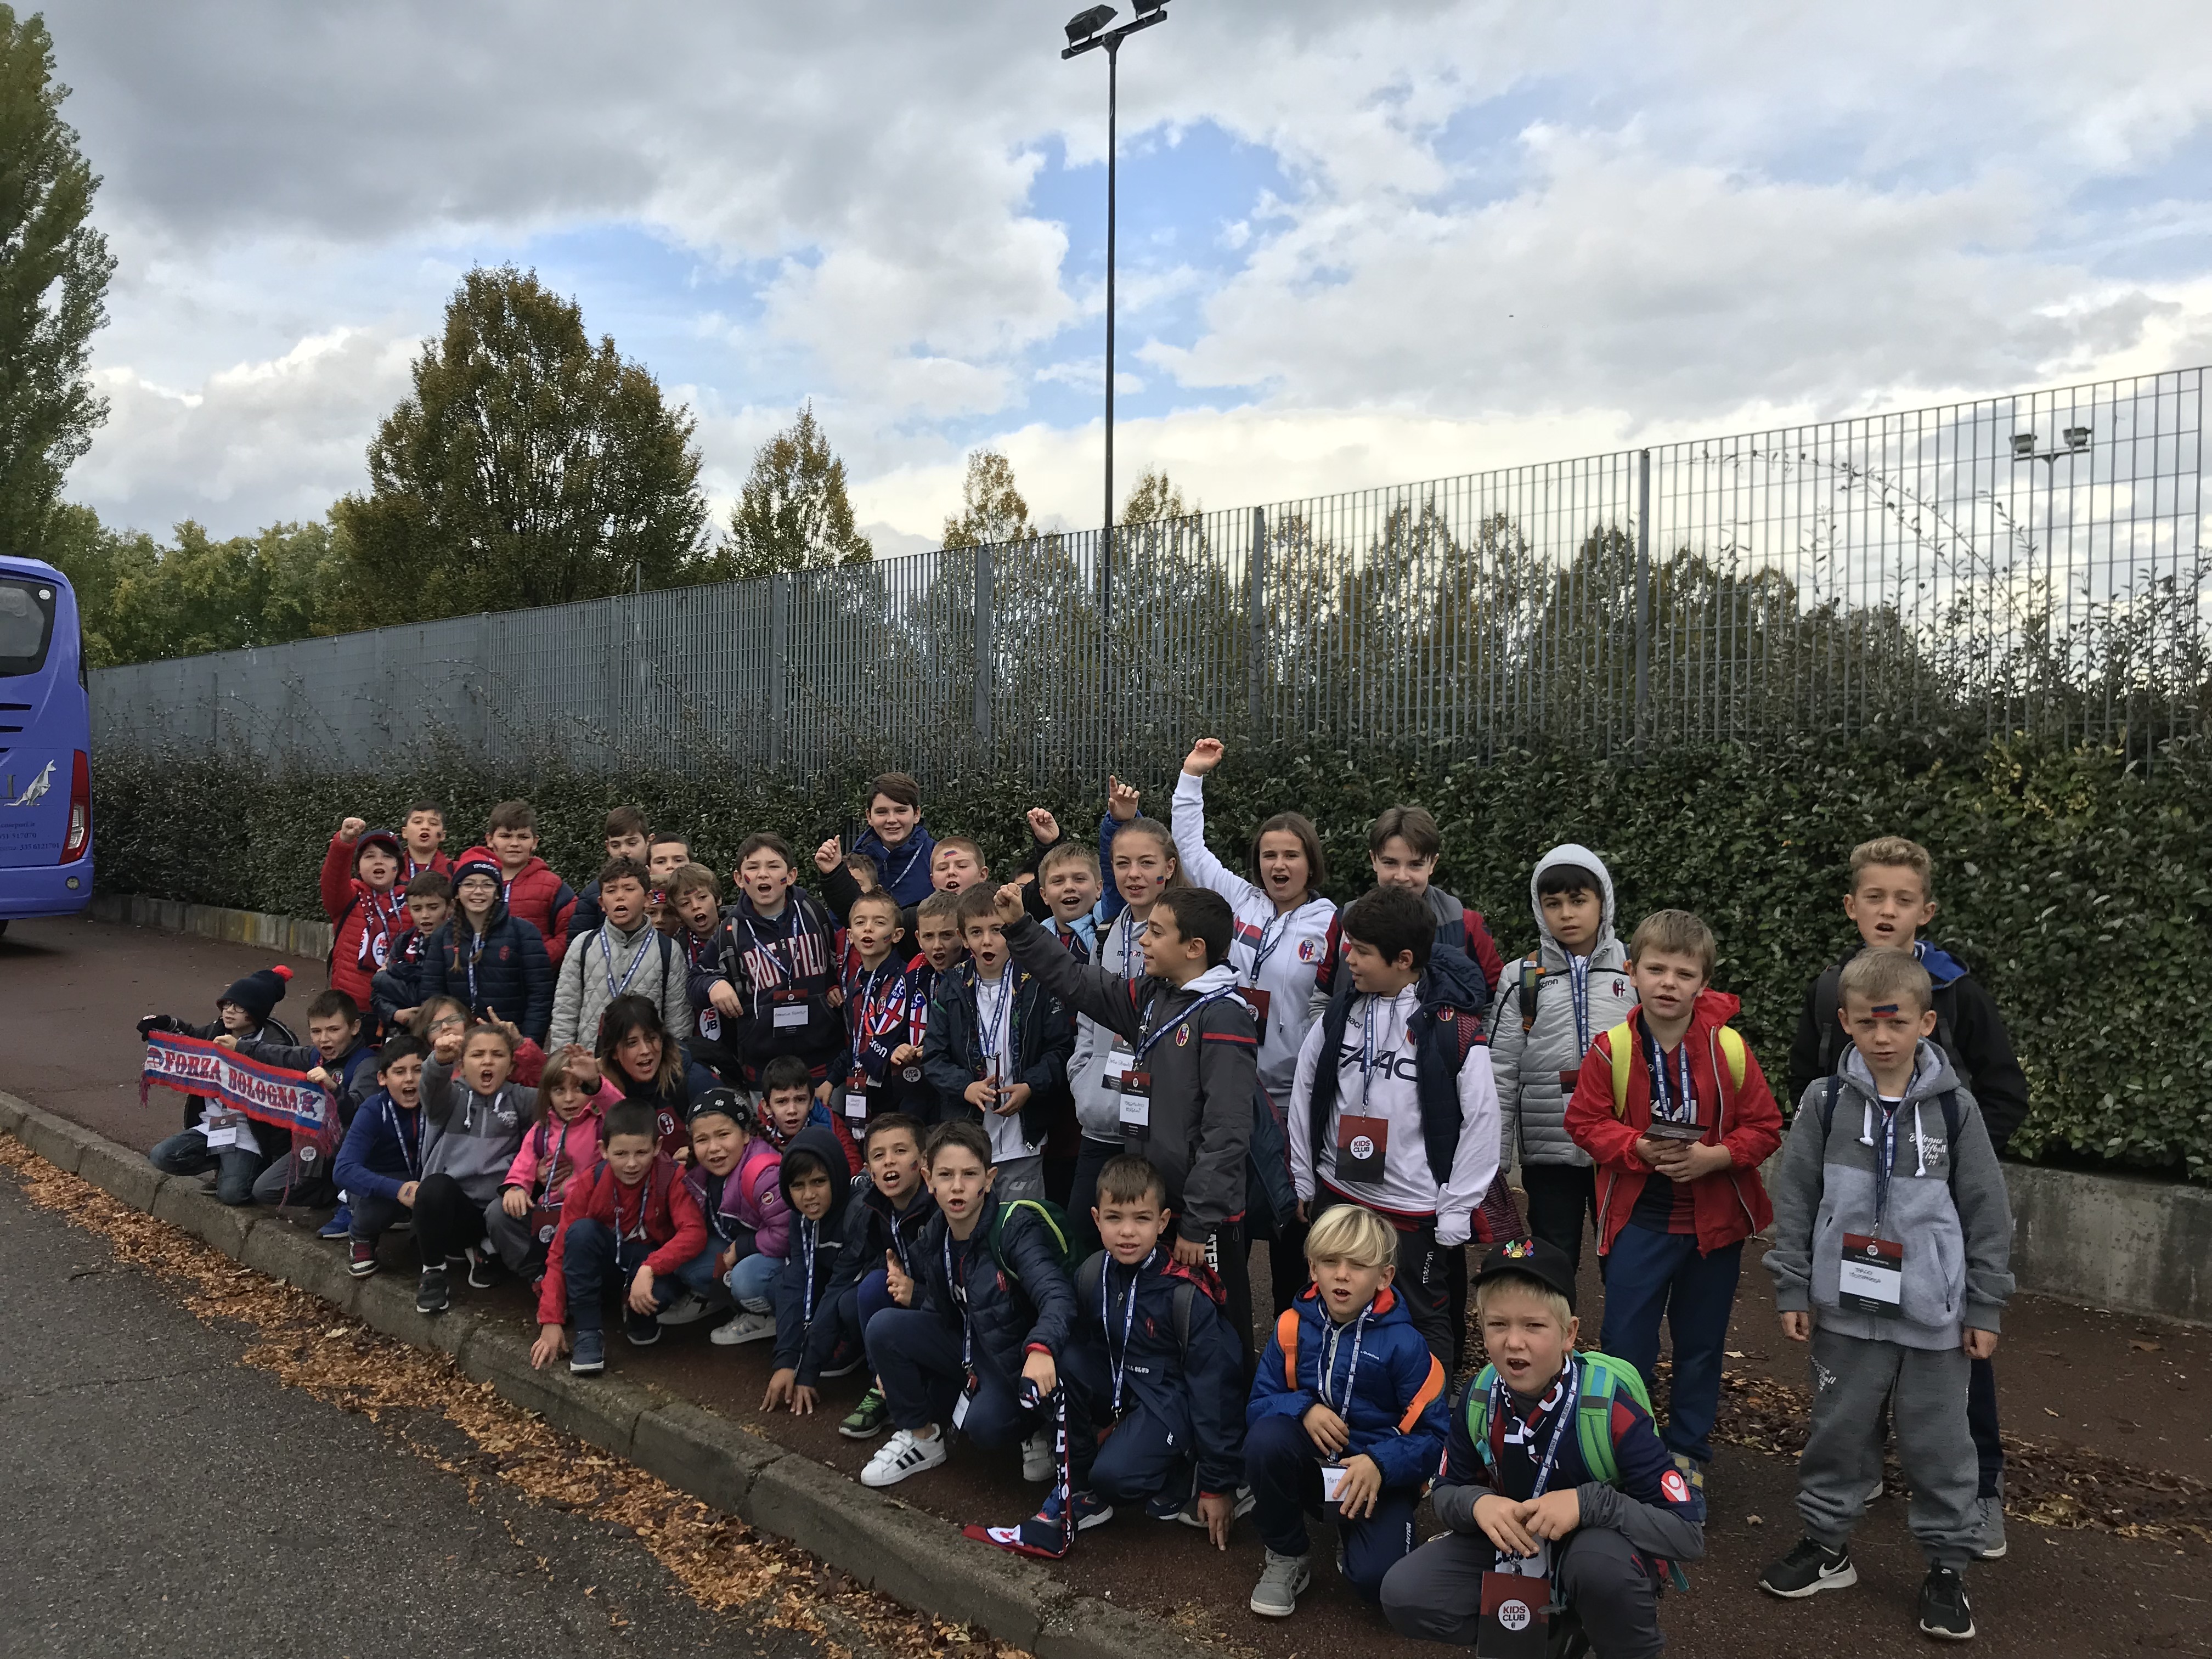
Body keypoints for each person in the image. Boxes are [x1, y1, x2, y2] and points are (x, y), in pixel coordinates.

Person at [1759, 950, 2014, 1642]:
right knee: (1838, 1434)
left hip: (1935, 1320)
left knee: (1941, 1446)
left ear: (1925, 1024)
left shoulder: (1956, 1110)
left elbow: (1988, 1213)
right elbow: (1796, 1198)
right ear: (1845, 1022)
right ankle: (1827, 1546)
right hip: (1845, 1313)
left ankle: (1947, 1566)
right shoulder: (1824, 1103)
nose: (1881, 1037)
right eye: (1866, 1023)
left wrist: (1985, 1305)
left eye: (1896, 1022)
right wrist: (1793, 1285)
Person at [1785, 834, 2028, 1546]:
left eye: (1903, 898)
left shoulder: (1956, 992)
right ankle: (1855, 1476)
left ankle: (1980, 1489)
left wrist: (1943, 1164)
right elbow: (1807, 1080)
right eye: (1875, 897)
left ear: (1926, 910)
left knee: (1958, 1375)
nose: (1887, 910)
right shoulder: (1832, 991)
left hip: (1931, 1235)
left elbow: (2002, 1092)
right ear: (1852, 906)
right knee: (1851, 1365)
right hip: (1857, 1230)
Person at [1380, 1238, 1704, 1659]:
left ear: (1569, 1333)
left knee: (1598, 1568)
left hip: (1599, 1548)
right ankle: (1555, 1638)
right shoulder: (1480, 1397)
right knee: (1404, 1593)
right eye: (1498, 1325)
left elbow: (1686, 1535)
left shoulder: (1610, 1410)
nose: (1514, 1342)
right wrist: (1478, 1504)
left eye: (1534, 1326)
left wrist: (1589, 1504)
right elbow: (1445, 1492)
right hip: (1517, 1546)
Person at [1563, 909, 1782, 1500]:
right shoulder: (1612, 1049)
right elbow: (1584, 1122)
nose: (1668, 983)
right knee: (1625, 1345)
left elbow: (1766, 1126)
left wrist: (1718, 1157)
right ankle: (1626, 1450)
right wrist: (1635, 1146)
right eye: (1656, 969)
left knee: (1701, 1348)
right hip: (1641, 1222)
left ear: (1703, 983)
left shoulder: (1729, 1048)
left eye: (1684, 974)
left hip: (1713, 1229)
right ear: (1632, 972)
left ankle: (1688, 1452)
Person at [995, 878, 1261, 1362]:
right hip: (1155, 1202)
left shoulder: (1223, 1016)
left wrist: (1198, 1223)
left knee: (1216, 1334)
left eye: (1157, 932)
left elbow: (1227, 1132)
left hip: (1199, 1217)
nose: (1143, 940)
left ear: (1194, 948)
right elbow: (1079, 982)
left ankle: (1230, 1409)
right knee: (1161, 1327)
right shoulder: (1155, 996)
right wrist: (1020, 927)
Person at [1288, 885, 1502, 1369]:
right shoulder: (1340, 1012)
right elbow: (1306, 1092)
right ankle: (1340, 1398)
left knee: (1422, 1318)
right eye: (1350, 946)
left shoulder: (1453, 1027)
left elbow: (1482, 1121)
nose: (1349, 959)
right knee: (1334, 1307)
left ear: (1404, 959)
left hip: (1413, 1207)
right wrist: (1303, 1175)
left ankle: (1428, 1414)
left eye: (1362, 951)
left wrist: (1456, 1208)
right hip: (1339, 1192)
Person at [859, 1121, 1098, 1549]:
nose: (957, 1187)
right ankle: (922, 1438)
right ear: (929, 1180)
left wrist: (1041, 1347)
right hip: (975, 1348)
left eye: (969, 1174)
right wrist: (901, 1352)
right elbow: (947, 1308)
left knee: (985, 1428)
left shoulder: (1014, 1228)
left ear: (989, 1180)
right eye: (946, 1175)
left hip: (1019, 1356)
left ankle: (1035, 1428)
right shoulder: (936, 1234)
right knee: (885, 1327)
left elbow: (1057, 1296)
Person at [1172, 738, 1335, 1310]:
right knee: (1229, 1213)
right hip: (1232, 1086)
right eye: (1269, 855)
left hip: (1290, 1096)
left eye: (1291, 855)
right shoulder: (1239, 901)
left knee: (1291, 1219)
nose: (1279, 866)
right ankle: (1226, 1325)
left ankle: (1291, 1331)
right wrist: (1192, 778)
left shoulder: (1331, 923)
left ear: (1310, 863)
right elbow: (1190, 847)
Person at [1244, 1203, 1449, 1617]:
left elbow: (1435, 1439)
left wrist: (1380, 1463)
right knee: (1266, 1440)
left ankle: (1355, 1531)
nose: (1342, 1274)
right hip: (1313, 1465)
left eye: (1358, 1265)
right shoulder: (1291, 1327)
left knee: (1382, 1585)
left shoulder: (1406, 1345)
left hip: (1374, 1476)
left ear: (1384, 1277)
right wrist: (1303, 1408)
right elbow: (1257, 1406)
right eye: (1330, 1262)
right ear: (1312, 1269)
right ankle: (1288, 1555)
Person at [1069, 1154, 1247, 1540]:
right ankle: (1078, 1477)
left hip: (1170, 1399)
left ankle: (1185, 1471)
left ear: (1163, 1222)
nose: (1127, 1232)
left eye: (1142, 1219)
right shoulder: (1091, 1273)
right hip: (1123, 1387)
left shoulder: (1184, 1294)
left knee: (1113, 1478)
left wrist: (1217, 1485)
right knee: (1064, 1362)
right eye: (1114, 1218)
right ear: (1097, 1219)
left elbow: (1215, 1390)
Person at [1492, 846, 1638, 1286]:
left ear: (1603, 902)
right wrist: (1494, 1159)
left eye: (1578, 901)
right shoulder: (1522, 976)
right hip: (1548, 1147)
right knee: (1552, 1260)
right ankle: (1553, 1332)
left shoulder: (1634, 969)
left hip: (1621, 1146)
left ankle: (1625, 1333)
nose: (1567, 914)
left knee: (1627, 1259)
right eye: (1553, 903)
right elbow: (1500, 1070)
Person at [1058, 805, 1193, 1256]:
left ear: (1168, 867)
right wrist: (1083, 1078)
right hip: (1102, 1113)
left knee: (1152, 1243)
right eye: (1122, 863)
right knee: (1084, 1236)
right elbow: (1089, 1014)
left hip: (1158, 1127)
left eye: (1146, 863)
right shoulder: (1109, 930)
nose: (1133, 874)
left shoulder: (1186, 934)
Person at [529, 1099, 709, 1376]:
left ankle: (638, 1314)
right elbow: (560, 1252)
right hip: (611, 1263)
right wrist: (551, 1319)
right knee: (581, 1233)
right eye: (621, 1154)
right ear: (604, 1150)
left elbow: (694, 1232)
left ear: (658, 1147)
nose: (632, 1164)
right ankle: (589, 1333)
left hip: (650, 1265)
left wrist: (650, 1268)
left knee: (646, 1325)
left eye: (642, 1152)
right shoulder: (591, 1181)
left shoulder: (672, 1176)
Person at [923, 886, 1075, 1206]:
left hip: (1023, 1138)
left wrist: (1030, 1086)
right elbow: (934, 1057)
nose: (987, 941)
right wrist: (965, 1087)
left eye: (997, 930)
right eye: (976, 932)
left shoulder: (1037, 982)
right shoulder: (951, 987)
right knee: (971, 1220)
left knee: (1020, 1220)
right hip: (966, 1141)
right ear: (964, 938)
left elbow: (1060, 1050)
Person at [1308, 805, 1505, 1018]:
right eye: (1390, 863)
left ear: (1433, 864)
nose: (1402, 877)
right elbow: (1322, 1001)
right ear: (1374, 860)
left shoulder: (1466, 924)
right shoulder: (1344, 920)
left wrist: (1469, 1039)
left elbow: (1494, 1006)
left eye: (1415, 865)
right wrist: (1335, 1037)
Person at [692, 832, 843, 1090]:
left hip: (824, 1062)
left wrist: (832, 984)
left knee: (826, 1117)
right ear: (739, 879)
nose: (763, 874)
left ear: (791, 876)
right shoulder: (731, 930)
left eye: (773, 866)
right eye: (753, 867)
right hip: (763, 1068)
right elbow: (695, 979)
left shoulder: (813, 912)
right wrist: (713, 985)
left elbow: (837, 958)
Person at [140, 963, 299, 1206]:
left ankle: (248, 1170)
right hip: (215, 1124)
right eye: (226, 1004)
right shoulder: (217, 1030)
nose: (229, 1012)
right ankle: (224, 1164)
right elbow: (191, 1036)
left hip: (250, 1132)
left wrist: (277, 1159)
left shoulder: (277, 1047)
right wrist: (164, 1024)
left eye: (239, 1007)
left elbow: (284, 1106)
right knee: (162, 1156)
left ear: (256, 1011)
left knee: (233, 1194)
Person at [828, 1113, 938, 1440]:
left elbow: (964, 1294)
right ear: (869, 1170)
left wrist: (917, 1294)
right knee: (869, 1288)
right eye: (879, 1155)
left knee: (979, 1418)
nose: (889, 1161)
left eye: (900, 1151)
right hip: (911, 1303)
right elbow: (846, 1269)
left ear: (923, 1161)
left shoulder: (942, 1207)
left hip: (947, 1316)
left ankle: (923, 1395)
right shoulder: (875, 1207)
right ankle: (883, 1386)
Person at [411, 1019, 531, 1311]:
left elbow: (558, 1093)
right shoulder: (451, 1099)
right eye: (477, 1055)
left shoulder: (521, 1099)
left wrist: (527, 1049)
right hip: (455, 1212)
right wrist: (439, 1060)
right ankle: (433, 1272)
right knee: (433, 1187)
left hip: (498, 1212)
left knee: (511, 1203)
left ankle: (486, 1250)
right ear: (462, 1066)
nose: (487, 1061)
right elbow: (430, 1087)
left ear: (511, 1067)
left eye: (498, 1054)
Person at [489, 1045, 620, 1285]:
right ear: (548, 1094)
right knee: (498, 1213)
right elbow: (524, 1163)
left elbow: (622, 1113)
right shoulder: (542, 1128)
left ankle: (573, 1283)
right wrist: (516, 1187)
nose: (569, 1099)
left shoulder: (602, 1121)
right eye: (559, 1090)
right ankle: (538, 1276)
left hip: (588, 1216)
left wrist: (597, 1083)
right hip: (550, 1212)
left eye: (578, 1088)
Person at [241, 988, 381, 1209]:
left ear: (355, 1027)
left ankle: (348, 1195)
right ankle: (332, 1193)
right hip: (313, 1141)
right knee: (264, 1190)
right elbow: (281, 1055)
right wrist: (239, 1047)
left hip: (353, 1148)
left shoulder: (367, 1064)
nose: (324, 1039)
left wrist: (334, 1089)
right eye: (316, 1031)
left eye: (333, 1030)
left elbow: (361, 1115)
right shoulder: (315, 1056)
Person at [761, 1126, 867, 1413]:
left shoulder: (859, 1211)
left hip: (857, 1287)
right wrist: (787, 1361)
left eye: (819, 1182)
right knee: (780, 1285)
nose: (809, 1195)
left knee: (850, 1303)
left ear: (837, 1176)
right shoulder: (801, 1217)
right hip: (830, 1279)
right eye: (798, 1186)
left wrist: (807, 1371)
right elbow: (799, 1279)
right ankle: (818, 1342)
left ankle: (855, 1346)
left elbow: (838, 1287)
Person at [680, 1088, 790, 1346]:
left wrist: (742, 1248)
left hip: (782, 1258)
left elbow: (788, 1235)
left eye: (723, 1135)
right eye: (702, 1139)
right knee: (688, 1260)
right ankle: (725, 1300)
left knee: (745, 1279)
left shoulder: (764, 1175)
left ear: (746, 1134)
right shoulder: (702, 1171)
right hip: (743, 1248)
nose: (714, 1148)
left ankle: (770, 1316)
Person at [549, 856, 691, 1051]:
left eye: (629, 889)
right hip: (592, 1059)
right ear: (602, 902)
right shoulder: (583, 945)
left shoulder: (668, 950)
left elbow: (678, 1019)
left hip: (647, 1058)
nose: (620, 897)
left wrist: (675, 1061)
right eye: (611, 890)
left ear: (647, 899)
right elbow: (565, 1011)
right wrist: (562, 1059)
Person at [417, 855, 555, 1043]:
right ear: (457, 892)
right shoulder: (442, 936)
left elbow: (540, 994)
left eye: (487, 885)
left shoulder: (524, 932)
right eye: (469, 885)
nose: (478, 891)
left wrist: (528, 1042)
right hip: (458, 1041)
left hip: (510, 1039)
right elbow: (432, 996)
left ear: (497, 893)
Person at [332, 1033, 431, 1278]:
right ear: (382, 1079)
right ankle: (362, 1236)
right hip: (384, 1186)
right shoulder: (374, 1109)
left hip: (427, 1179)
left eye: (418, 1070)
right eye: (399, 1072)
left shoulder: (439, 1104)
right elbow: (343, 1170)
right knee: (375, 1206)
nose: (410, 1079)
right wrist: (398, 1189)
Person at [829, 889, 917, 1128]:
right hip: (861, 1091)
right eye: (860, 923)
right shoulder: (855, 983)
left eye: (879, 923)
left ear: (897, 935)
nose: (868, 929)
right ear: (850, 935)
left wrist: (899, 1049)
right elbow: (856, 1042)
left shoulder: (907, 980)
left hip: (898, 1098)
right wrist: (831, 1081)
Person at [459, 800, 578, 966]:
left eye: (523, 837)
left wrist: (538, 959)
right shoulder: (471, 881)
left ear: (535, 842)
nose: (514, 844)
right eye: (506, 836)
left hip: (534, 976)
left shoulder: (552, 885)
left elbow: (571, 932)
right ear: (490, 840)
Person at [596, 992, 704, 1163]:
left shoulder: (694, 1080)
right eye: (632, 1043)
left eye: (652, 1038)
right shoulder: (600, 1089)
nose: (645, 1050)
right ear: (614, 1051)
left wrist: (698, 1155)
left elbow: (732, 1137)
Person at [320, 820, 408, 1017]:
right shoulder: (348, 898)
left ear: (399, 866)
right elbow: (333, 879)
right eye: (369, 856)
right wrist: (344, 842)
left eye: (387, 856)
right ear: (358, 867)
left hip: (398, 1009)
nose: (379, 861)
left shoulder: (413, 902)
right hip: (349, 1009)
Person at [893, 890, 967, 1113]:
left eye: (946, 935)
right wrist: (897, 1050)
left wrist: (937, 1051)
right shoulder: (912, 977)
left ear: (962, 935)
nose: (937, 945)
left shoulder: (975, 979)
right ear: (918, 938)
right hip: (919, 1092)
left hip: (961, 1093)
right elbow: (888, 1034)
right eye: (928, 936)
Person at [372, 871, 453, 1031]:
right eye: (417, 909)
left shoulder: (455, 944)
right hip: (402, 1031)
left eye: (433, 908)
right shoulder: (404, 941)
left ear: (450, 907)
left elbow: (427, 995)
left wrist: (382, 979)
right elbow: (376, 996)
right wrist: (395, 1014)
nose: (425, 915)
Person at [755, 1052, 860, 1172]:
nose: (792, 1110)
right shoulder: (758, 1132)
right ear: (767, 1106)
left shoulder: (832, 1124)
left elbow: (853, 1167)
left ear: (811, 1102)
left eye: (800, 1100)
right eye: (782, 1102)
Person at [849, 771, 938, 909]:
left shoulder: (938, 859)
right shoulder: (855, 863)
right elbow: (840, 916)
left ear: (916, 814)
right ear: (869, 816)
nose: (892, 820)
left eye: (901, 811)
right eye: (882, 812)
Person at [566, 805, 652, 941]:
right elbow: (577, 942)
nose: (623, 851)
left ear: (649, 842)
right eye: (615, 845)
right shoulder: (593, 893)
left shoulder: (667, 883)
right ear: (608, 847)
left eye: (632, 843)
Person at [398, 798, 451, 882]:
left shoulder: (456, 870)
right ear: (405, 832)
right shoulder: (392, 870)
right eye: (418, 822)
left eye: (433, 823)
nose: (425, 827)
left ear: (442, 835)